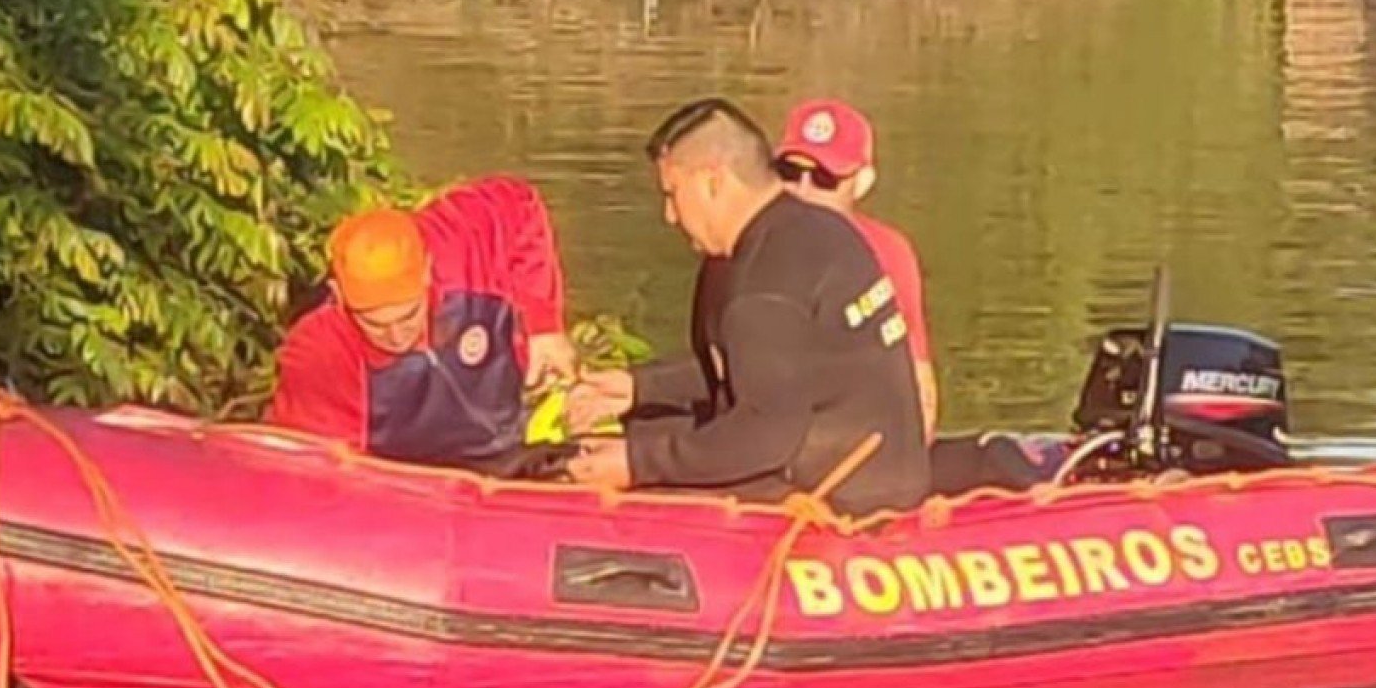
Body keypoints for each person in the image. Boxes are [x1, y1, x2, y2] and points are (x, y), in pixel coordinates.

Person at [563, 99, 928, 516]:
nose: (669, 215)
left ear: (713, 182)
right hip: (882, 469)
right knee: (645, 426)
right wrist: (639, 388)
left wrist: (638, 463)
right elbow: (764, 365)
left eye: (673, 194)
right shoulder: (814, 231)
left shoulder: (766, 281)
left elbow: (765, 432)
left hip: (840, 495)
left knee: (628, 472)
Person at [268, 176, 578, 475]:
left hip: (514, 442)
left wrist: (544, 326)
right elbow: (320, 467)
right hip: (409, 485)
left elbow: (520, 203)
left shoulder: (459, 241)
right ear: (339, 297)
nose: (395, 336)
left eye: (407, 316)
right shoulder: (318, 353)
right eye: (375, 324)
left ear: (428, 272)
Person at [772, 99, 938, 440]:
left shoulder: (889, 252)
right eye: (789, 173)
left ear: (862, 184)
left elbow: (919, 381)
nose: (803, 191)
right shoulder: (746, 244)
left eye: (824, 179)